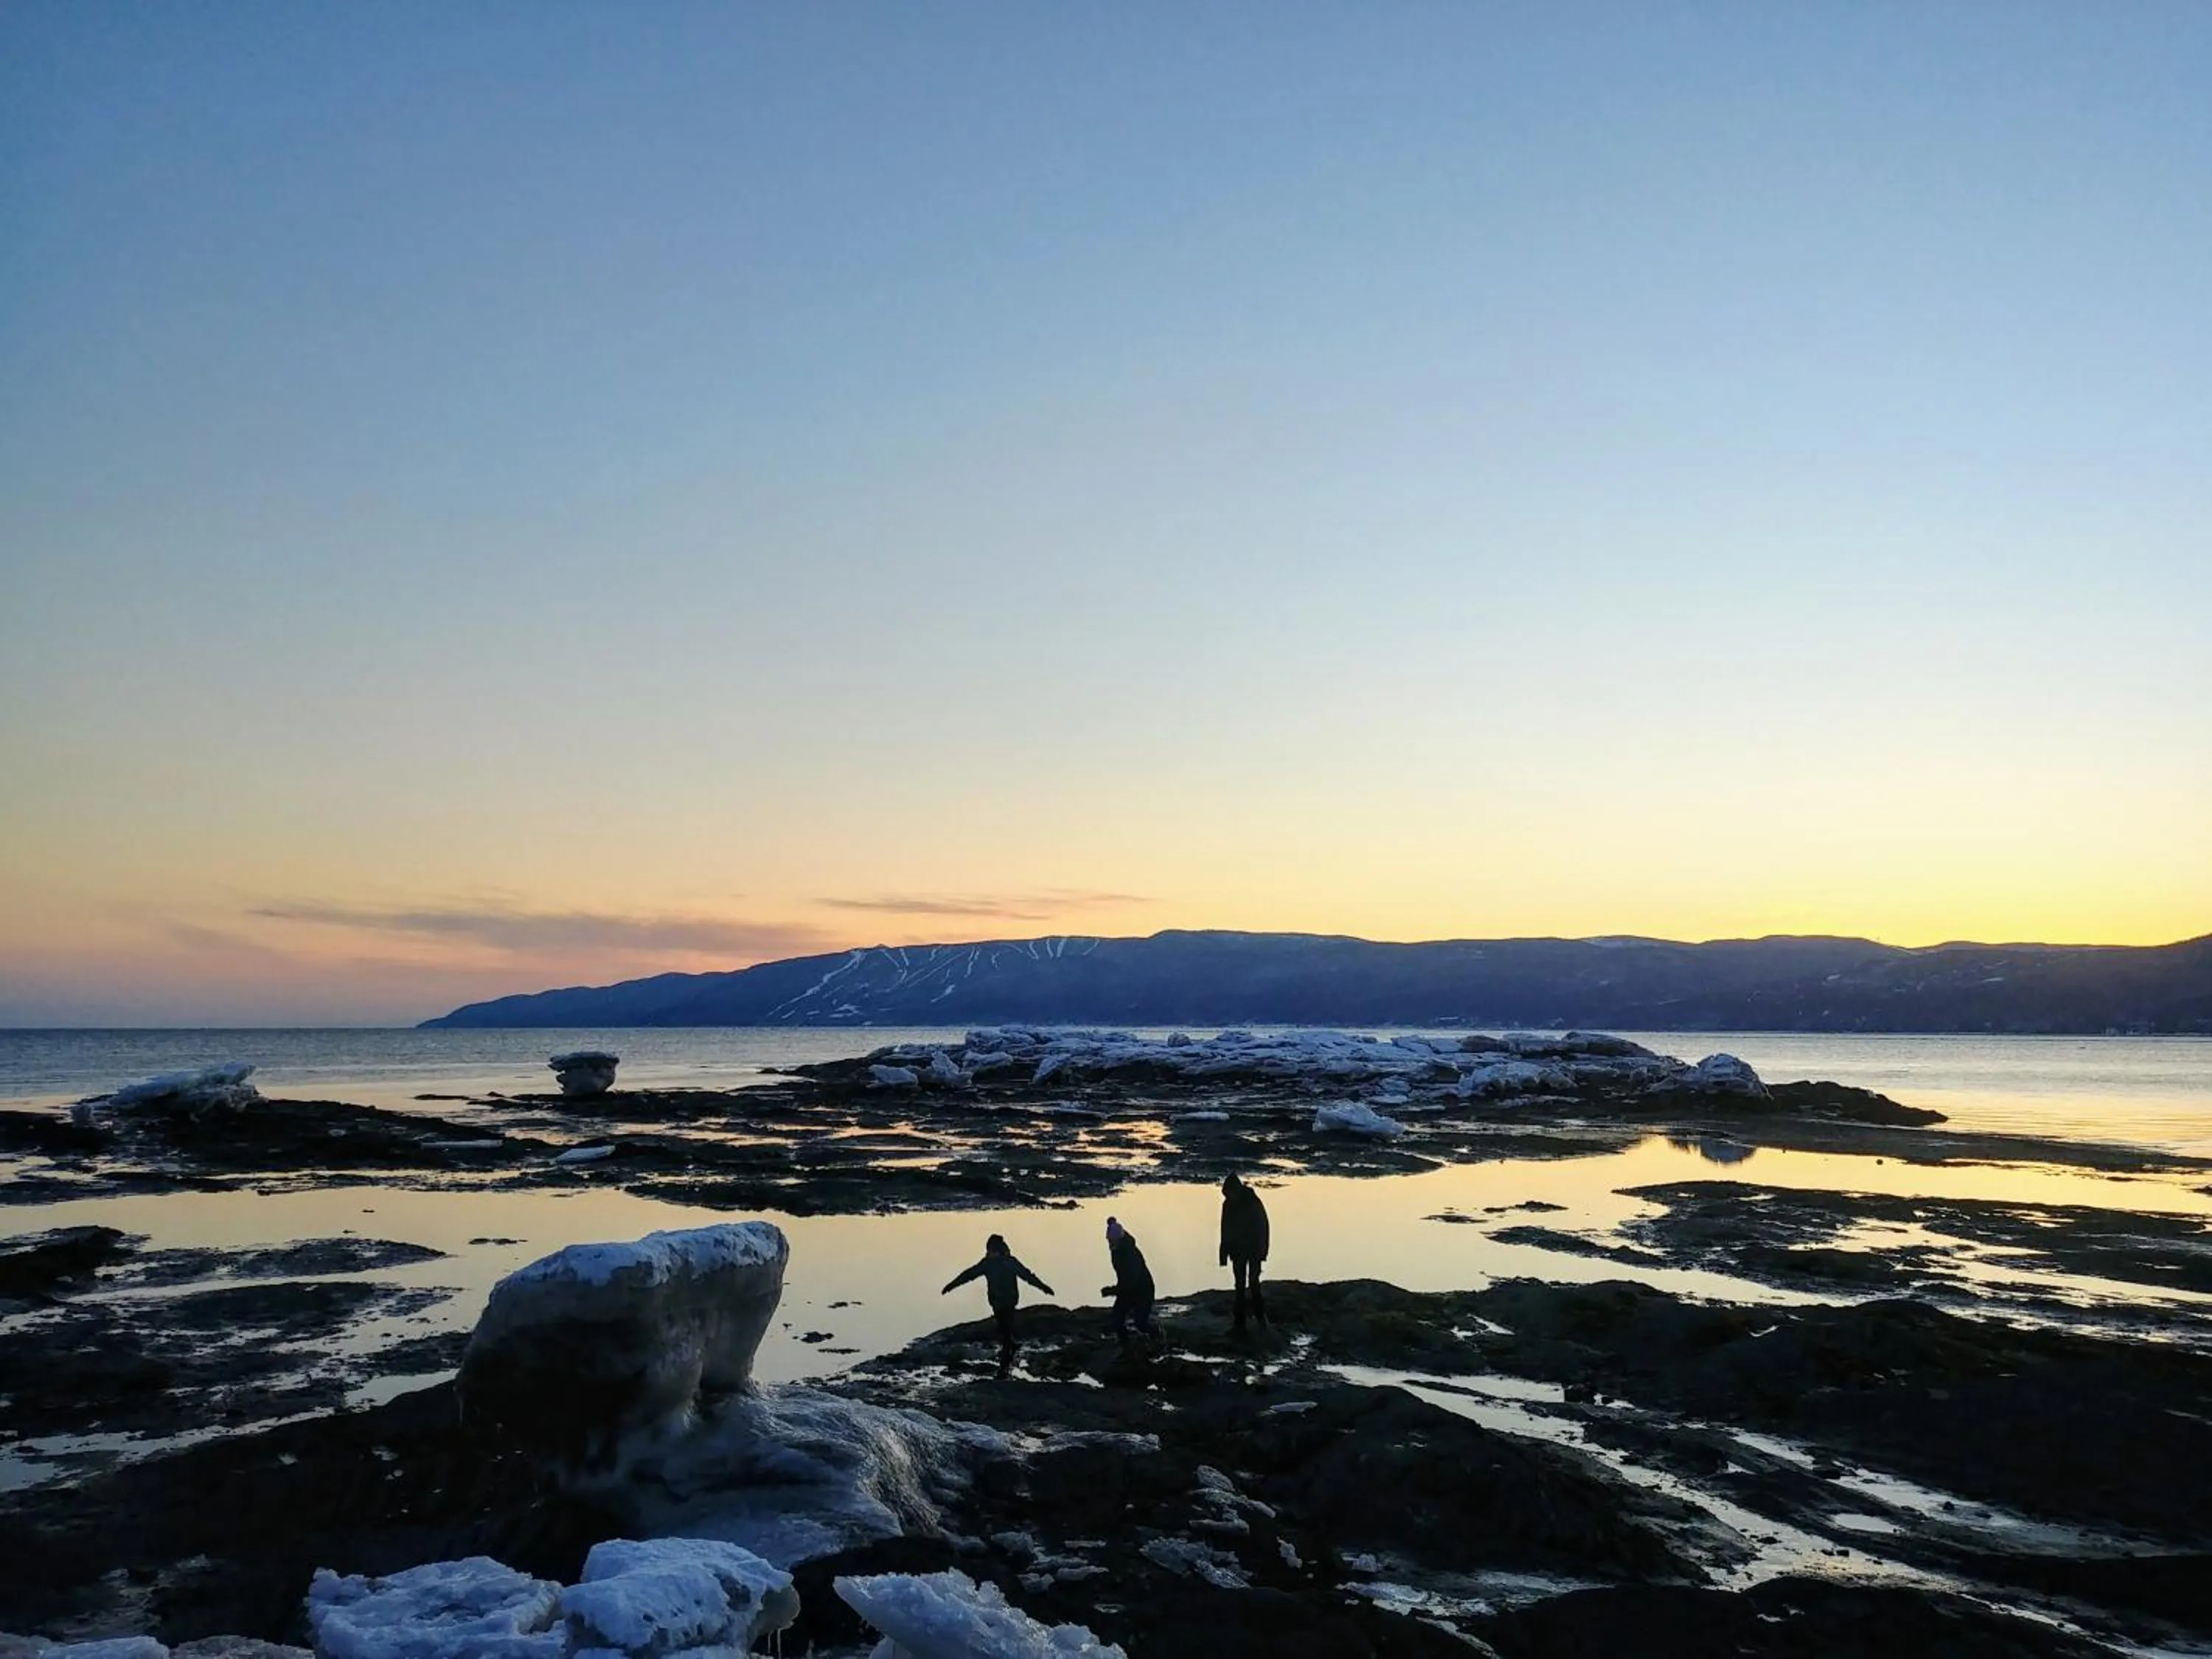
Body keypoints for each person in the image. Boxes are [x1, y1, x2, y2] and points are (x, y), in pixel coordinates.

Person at [942, 1233, 1054, 1373]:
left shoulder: (1007, 1262)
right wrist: (952, 1285)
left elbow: (1027, 1276)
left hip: (1008, 1300)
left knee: (1005, 1326)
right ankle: (1008, 1351)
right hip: (998, 1300)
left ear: (997, 1250)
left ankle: (1006, 1358)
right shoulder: (991, 1263)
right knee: (1003, 1325)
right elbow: (969, 1274)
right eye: (988, 1251)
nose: (989, 1253)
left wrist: (1043, 1287)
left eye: (991, 1251)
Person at [1219, 1172, 1270, 1332]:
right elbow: (1225, 1229)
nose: (1229, 1197)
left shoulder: (1253, 1202)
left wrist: (1263, 1251)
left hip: (1254, 1249)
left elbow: (1263, 1228)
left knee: (1254, 1282)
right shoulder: (1228, 1205)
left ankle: (1260, 1317)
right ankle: (1240, 1320)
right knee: (1239, 1284)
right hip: (1237, 1251)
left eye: (1229, 1194)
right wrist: (1223, 1254)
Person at [1101, 1216, 1157, 1353]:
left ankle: (1157, 1334)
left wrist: (1112, 1291)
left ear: (1119, 1239)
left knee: (1141, 1323)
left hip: (1143, 1291)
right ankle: (1125, 1345)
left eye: (1112, 1241)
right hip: (1127, 1290)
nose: (1109, 1244)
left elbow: (1130, 1282)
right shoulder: (1117, 1250)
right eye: (1108, 1240)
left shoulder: (1130, 1254)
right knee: (1117, 1320)